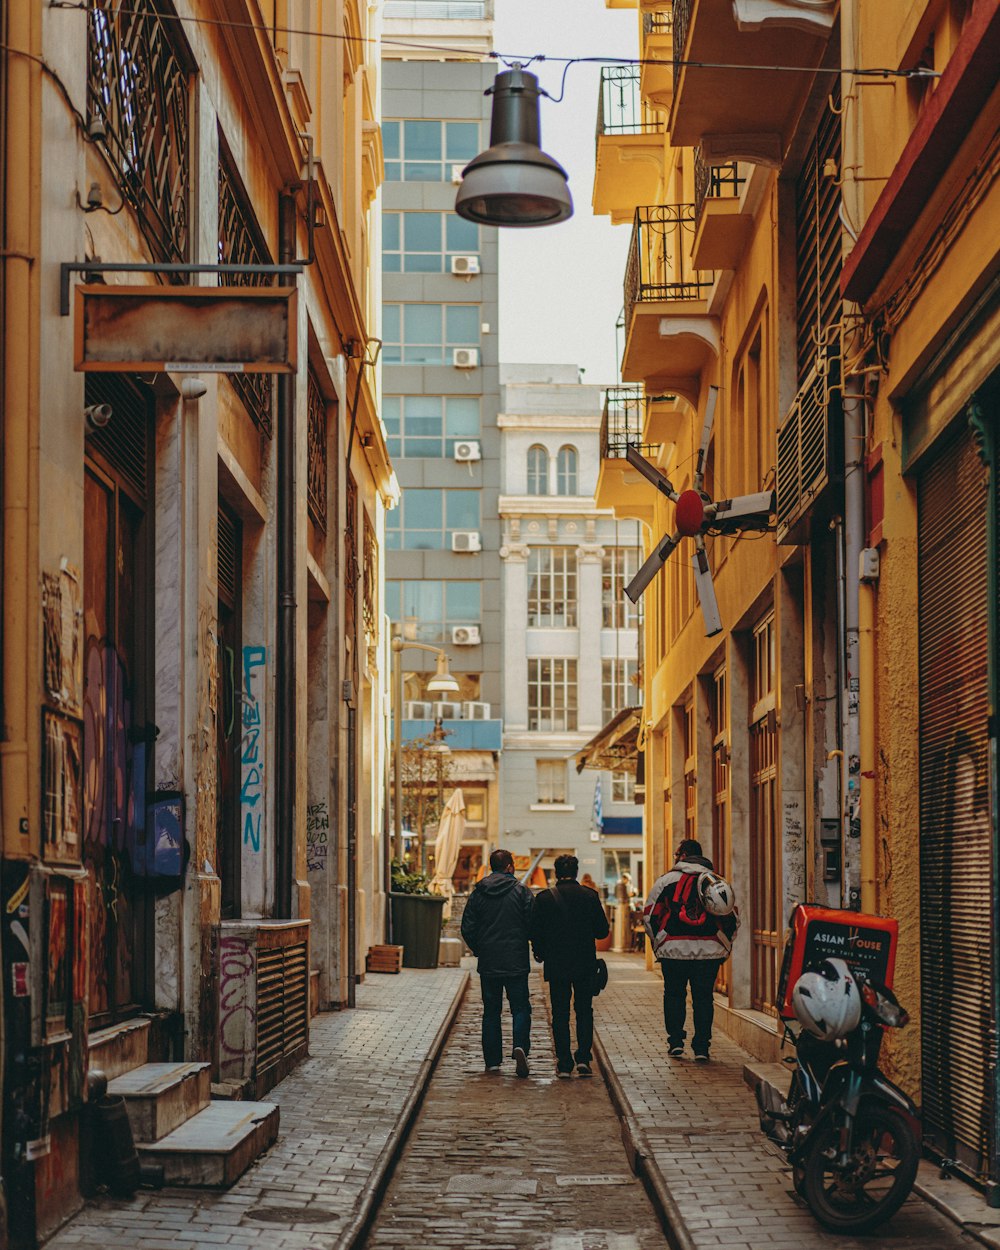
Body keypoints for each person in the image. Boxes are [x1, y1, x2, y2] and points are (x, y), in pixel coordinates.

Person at [642, 839, 739, 1062]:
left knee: (674, 995)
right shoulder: (717, 882)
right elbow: (733, 917)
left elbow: (649, 915)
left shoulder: (666, 881)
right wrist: (724, 946)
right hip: (709, 953)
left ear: (683, 855)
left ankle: (676, 1042)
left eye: (677, 853)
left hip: (673, 952)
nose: (675, 857)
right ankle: (702, 1047)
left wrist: (659, 943)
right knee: (703, 998)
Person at [530, 854, 610, 1078]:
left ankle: (564, 1063)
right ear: (576, 872)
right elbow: (602, 931)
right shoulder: (590, 896)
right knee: (584, 1010)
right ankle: (583, 1057)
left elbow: (534, 931)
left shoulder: (544, 898)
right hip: (584, 962)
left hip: (557, 964)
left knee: (560, 1013)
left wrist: (541, 951)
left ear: (556, 873)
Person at [461, 848, 535, 1076]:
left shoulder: (478, 893)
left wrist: (479, 949)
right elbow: (533, 924)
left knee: (491, 1011)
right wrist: (534, 946)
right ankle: (520, 1045)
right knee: (520, 1007)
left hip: (490, 962)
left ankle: (492, 1060)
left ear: (492, 866)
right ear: (510, 867)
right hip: (516, 961)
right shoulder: (522, 892)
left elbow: (467, 928)